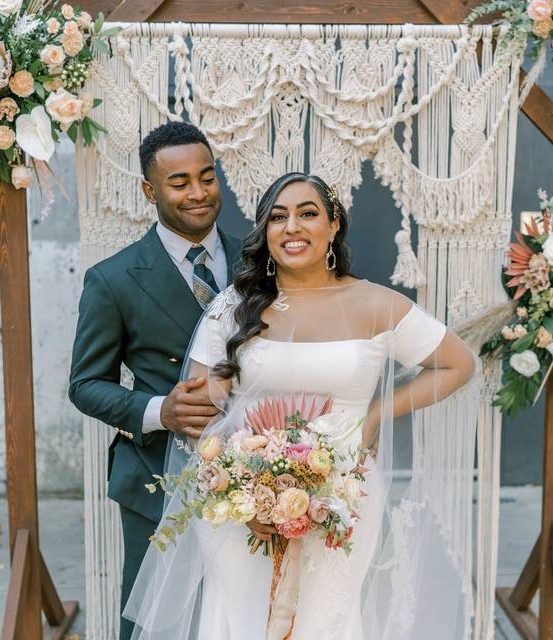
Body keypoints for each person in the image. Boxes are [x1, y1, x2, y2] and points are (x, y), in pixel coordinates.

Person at [123, 173, 479, 640]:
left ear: (334, 227)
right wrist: (241, 486)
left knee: (325, 622)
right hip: (241, 500)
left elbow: (458, 364)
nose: (292, 227)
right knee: (244, 620)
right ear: (265, 233)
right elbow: (198, 410)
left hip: (344, 495)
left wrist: (375, 415)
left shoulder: (376, 304)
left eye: (308, 214)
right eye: (277, 217)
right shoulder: (235, 306)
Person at [68, 121, 242, 640]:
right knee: (155, 621)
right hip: (157, 480)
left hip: (260, 469)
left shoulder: (262, 259)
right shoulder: (114, 278)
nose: (198, 193)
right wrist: (158, 411)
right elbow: (85, 384)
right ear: (150, 191)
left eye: (207, 178)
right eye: (179, 182)